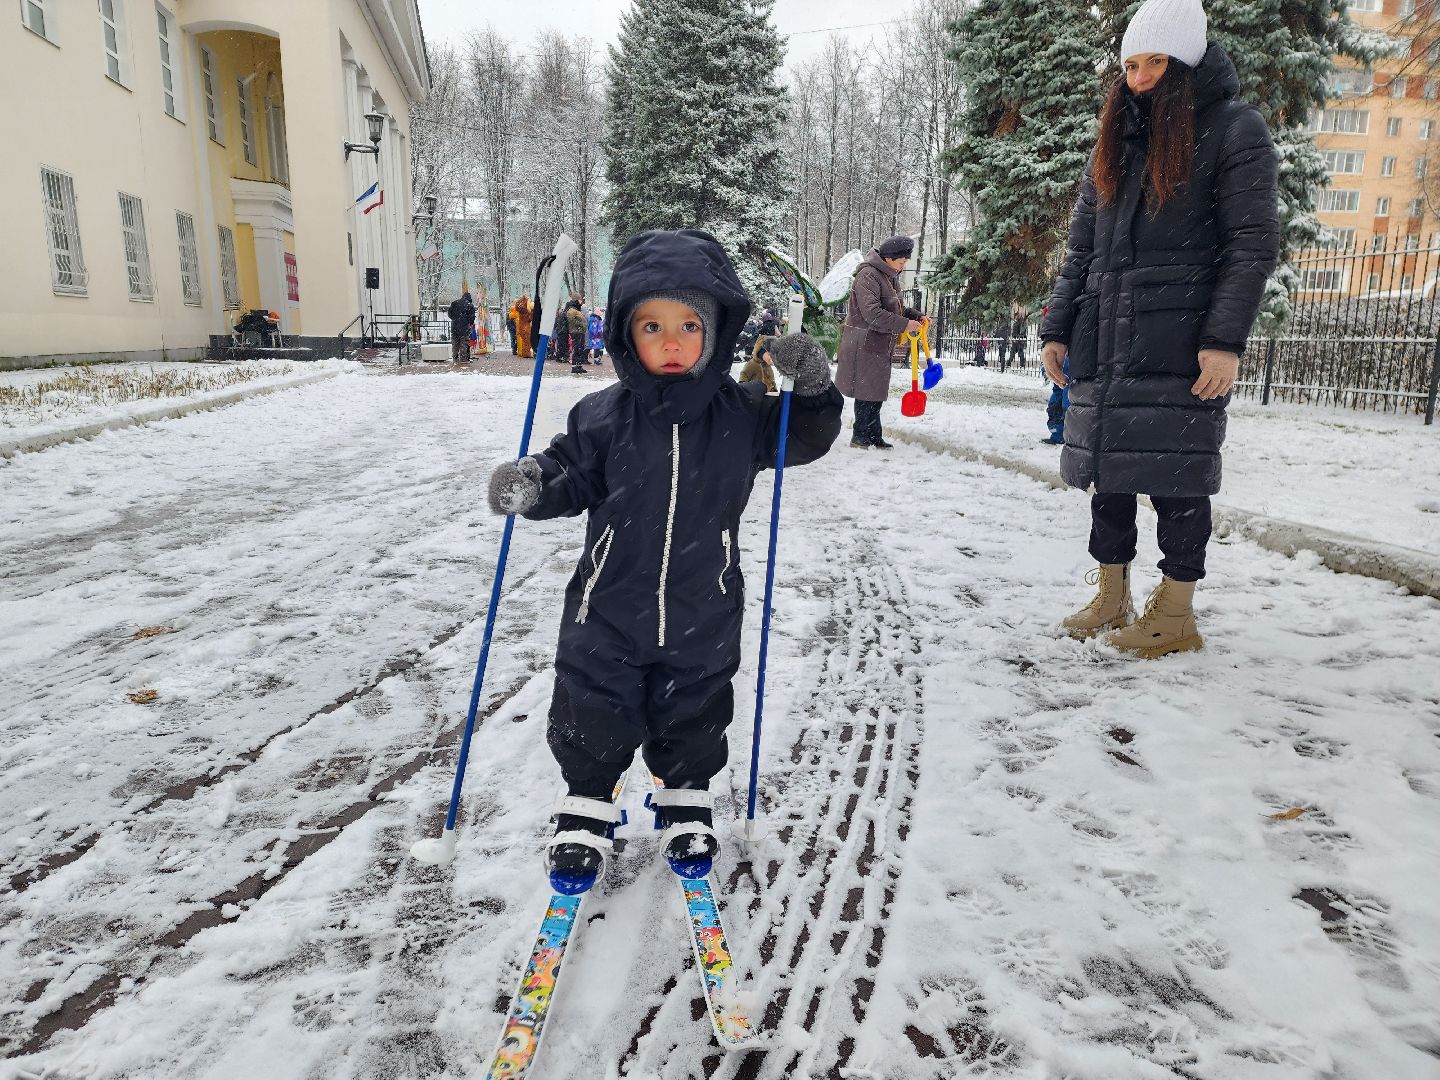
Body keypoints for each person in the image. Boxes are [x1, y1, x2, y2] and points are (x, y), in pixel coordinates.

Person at [484, 229, 842, 894]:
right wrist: (533, 482)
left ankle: (686, 793)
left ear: (714, 331)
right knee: (592, 700)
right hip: (608, 604)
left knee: (696, 704)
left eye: (688, 325)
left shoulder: (743, 415)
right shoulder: (602, 415)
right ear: (626, 334)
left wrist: (814, 388)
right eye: (652, 325)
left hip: (704, 601)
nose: (671, 341)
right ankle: (587, 802)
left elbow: (806, 440)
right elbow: (568, 472)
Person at [1040, 0, 1278, 658]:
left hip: (1180, 339)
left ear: (1188, 62)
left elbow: (1251, 244)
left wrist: (1224, 340)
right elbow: (1080, 252)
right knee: (1107, 477)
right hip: (1103, 339)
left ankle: (1175, 613)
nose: (1140, 77)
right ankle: (1111, 593)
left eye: (1155, 63)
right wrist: (1058, 329)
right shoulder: (1115, 143)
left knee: (1178, 478)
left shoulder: (1234, 130)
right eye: (1132, 65)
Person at [835, 235, 926, 450]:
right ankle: (860, 436)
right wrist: (905, 324)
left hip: (879, 341)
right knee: (867, 391)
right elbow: (873, 313)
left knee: (875, 390)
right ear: (889, 257)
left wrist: (915, 316)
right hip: (864, 342)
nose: (903, 266)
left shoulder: (888, 276)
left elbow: (896, 309)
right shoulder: (868, 275)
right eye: (902, 262)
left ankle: (873, 435)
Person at [447, 290, 476, 363]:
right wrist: (468, 322)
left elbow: (449, 313)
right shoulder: (470, 305)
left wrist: (454, 319)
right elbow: (472, 318)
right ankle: (463, 359)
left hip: (454, 327)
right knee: (464, 343)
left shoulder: (454, 303)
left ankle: (455, 358)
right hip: (464, 327)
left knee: (455, 343)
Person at [564, 298, 589, 374]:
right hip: (576, 331)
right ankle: (574, 366)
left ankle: (579, 365)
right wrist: (581, 324)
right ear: (576, 300)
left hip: (580, 331)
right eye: (580, 299)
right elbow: (571, 320)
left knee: (580, 348)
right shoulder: (572, 309)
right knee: (577, 348)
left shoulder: (577, 309)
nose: (581, 301)